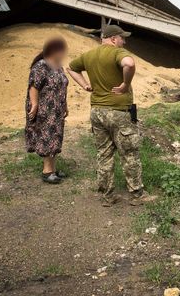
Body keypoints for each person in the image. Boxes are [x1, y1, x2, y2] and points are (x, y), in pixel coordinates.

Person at [67, 24, 156, 205]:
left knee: (104, 154)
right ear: (114, 39)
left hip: (97, 112)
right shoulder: (116, 53)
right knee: (129, 153)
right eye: (122, 38)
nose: (124, 41)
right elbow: (129, 64)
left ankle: (107, 196)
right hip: (118, 112)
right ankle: (137, 195)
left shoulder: (89, 55)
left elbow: (71, 68)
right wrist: (125, 84)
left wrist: (85, 85)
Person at [25, 37, 69, 184]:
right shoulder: (41, 66)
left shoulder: (58, 66)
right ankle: (47, 172)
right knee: (47, 138)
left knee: (55, 138)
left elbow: (62, 87)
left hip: (56, 109)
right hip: (45, 109)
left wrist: (65, 105)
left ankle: (53, 169)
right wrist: (35, 104)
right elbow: (34, 86)